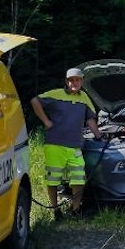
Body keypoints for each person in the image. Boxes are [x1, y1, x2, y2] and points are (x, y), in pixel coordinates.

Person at [31, 68, 102, 219]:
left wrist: (99, 136)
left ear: (81, 81)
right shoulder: (55, 94)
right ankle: (55, 211)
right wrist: (46, 121)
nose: (74, 83)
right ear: (66, 81)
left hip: (75, 146)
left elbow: (90, 119)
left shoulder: (84, 98)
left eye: (77, 80)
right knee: (53, 180)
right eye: (71, 80)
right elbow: (34, 101)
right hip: (54, 145)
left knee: (78, 179)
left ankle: (75, 210)